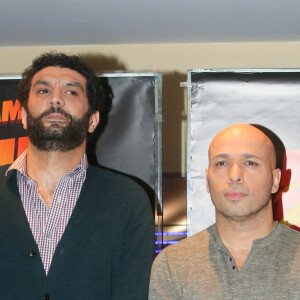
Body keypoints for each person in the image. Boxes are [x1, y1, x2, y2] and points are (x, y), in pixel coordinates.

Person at [0, 52, 154, 300]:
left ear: (92, 120)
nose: (56, 100)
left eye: (71, 92)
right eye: (43, 91)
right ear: (24, 116)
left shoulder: (128, 201)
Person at [149, 124, 300, 300]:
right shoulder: (172, 265)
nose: (234, 175)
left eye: (250, 163)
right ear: (207, 180)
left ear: (275, 180)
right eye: (222, 163)